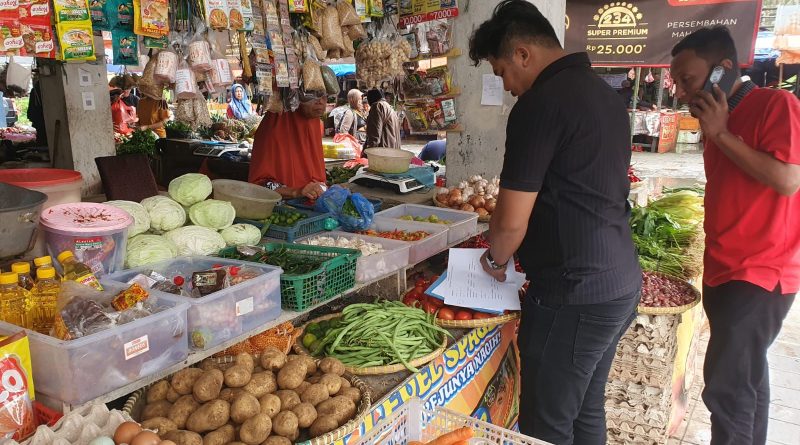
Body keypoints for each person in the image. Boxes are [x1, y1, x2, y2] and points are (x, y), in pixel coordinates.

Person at [469, 1, 641, 443]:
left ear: (523, 53)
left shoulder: (539, 105)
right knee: (585, 411)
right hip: (619, 282)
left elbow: (510, 222)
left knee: (546, 427)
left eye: (502, 72)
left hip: (574, 295)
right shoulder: (605, 95)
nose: (507, 87)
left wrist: (495, 261)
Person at [670, 27, 800, 445]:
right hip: (723, 267)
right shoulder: (716, 118)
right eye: (677, 83)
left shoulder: (775, 104)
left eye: (688, 80)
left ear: (722, 69)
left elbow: (788, 180)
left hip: (760, 271)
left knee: (727, 391)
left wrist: (722, 133)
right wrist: (718, 130)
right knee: (747, 383)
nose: (681, 92)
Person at [248, 91, 328, 200]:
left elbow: (318, 178)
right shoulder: (274, 128)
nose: (320, 101)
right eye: (311, 94)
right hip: (282, 205)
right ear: (295, 97)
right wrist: (296, 192)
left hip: (312, 204)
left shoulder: (315, 124)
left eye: (324, 96)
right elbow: (258, 187)